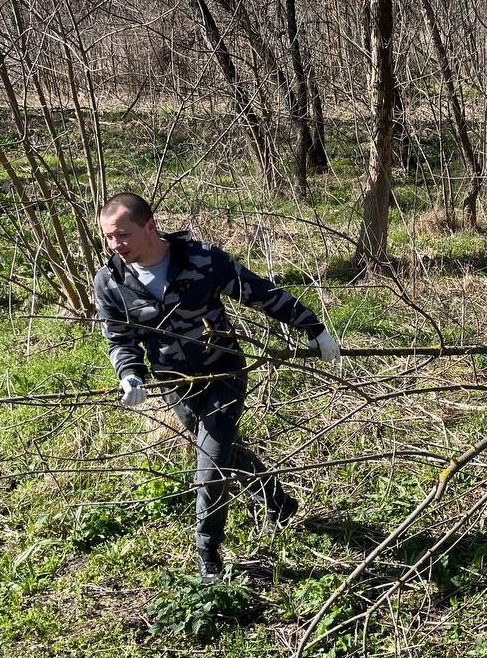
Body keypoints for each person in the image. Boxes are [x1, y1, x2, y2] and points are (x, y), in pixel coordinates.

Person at [93, 192, 340, 579]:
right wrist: (130, 374)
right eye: (108, 238)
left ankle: (208, 552)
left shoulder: (202, 259)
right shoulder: (111, 281)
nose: (115, 245)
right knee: (222, 448)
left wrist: (312, 327)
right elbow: (120, 339)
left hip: (223, 372)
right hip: (175, 383)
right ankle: (277, 501)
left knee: (209, 464)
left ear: (150, 226)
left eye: (122, 235)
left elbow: (258, 292)